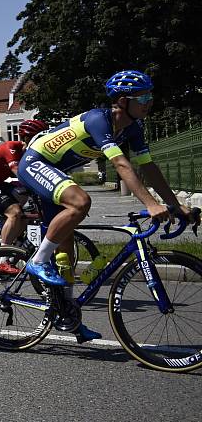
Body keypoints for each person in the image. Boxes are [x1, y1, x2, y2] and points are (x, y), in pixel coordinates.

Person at [18, 70, 193, 342]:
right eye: (143, 97)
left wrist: (173, 204)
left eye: (150, 96)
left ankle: (69, 318)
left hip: (57, 172)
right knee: (81, 201)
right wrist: (151, 203)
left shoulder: (133, 128)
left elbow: (148, 166)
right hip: (36, 162)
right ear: (123, 101)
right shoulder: (99, 119)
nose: (149, 102)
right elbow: (121, 164)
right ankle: (37, 261)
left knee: (66, 257)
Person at [0, 118, 49, 273]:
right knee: (15, 212)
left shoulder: (31, 154)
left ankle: (11, 238)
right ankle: (2, 260)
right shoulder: (11, 147)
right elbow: (20, 173)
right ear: (27, 138)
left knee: (23, 207)